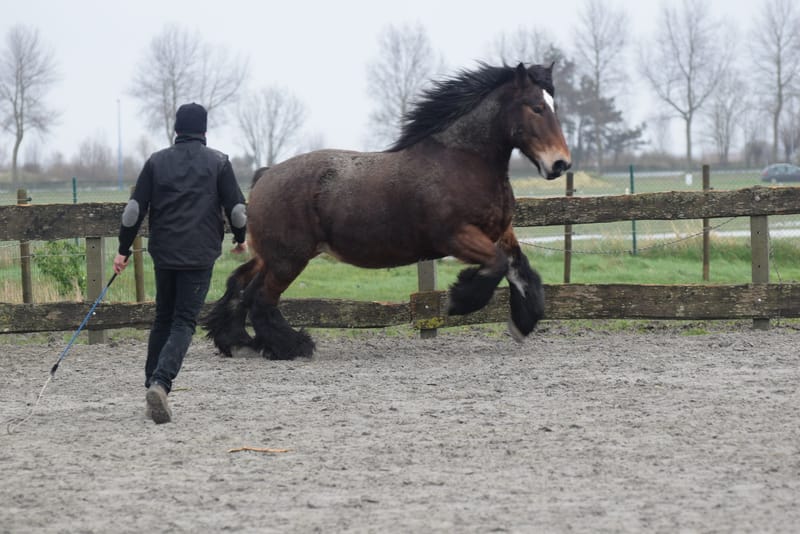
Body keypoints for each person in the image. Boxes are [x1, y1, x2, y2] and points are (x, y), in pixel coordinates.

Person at [113, 102, 247, 424]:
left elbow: (133, 211)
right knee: (184, 321)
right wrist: (240, 238)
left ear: (176, 129)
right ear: (204, 130)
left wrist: (123, 249)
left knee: (163, 317)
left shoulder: (156, 162)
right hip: (199, 255)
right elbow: (237, 210)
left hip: (165, 252)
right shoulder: (219, 162)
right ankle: (160, 384)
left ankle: (152, 385)